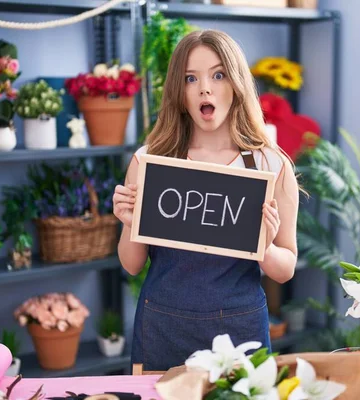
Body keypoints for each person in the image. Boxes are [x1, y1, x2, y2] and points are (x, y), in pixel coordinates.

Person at [113, 29, 300, 371]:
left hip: (241, 331)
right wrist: (129, 224)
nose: (205, 88)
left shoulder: (272, 166)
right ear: (178, 91)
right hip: (163, 328)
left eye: (218, 75)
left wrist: (267, 247)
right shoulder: (148, 163)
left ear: (237, 83)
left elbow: (285, 268)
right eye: (190, 78)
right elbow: (132, 264)